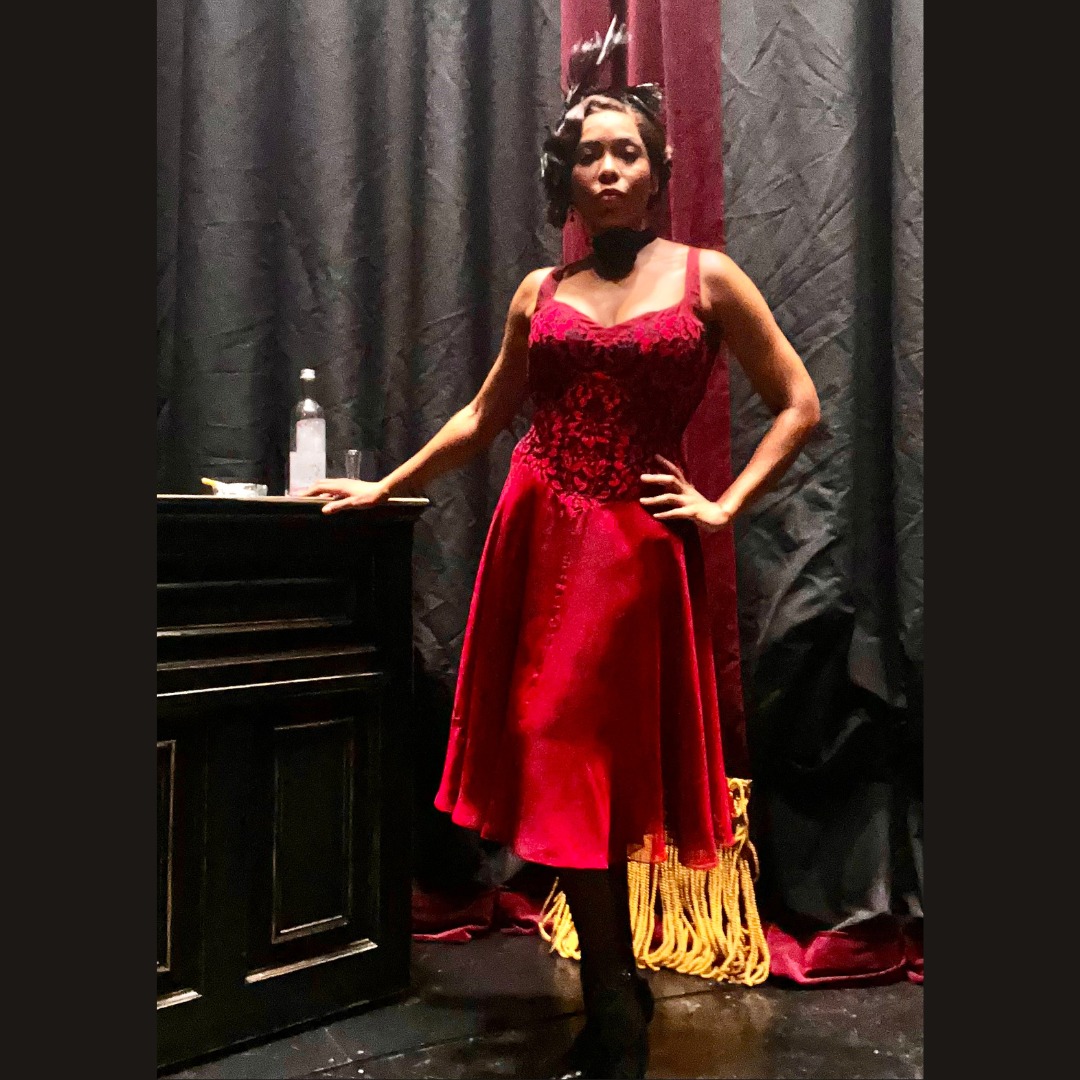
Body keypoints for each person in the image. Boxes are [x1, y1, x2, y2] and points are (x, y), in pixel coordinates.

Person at [298, 28, 820, 1080]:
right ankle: (616, 997)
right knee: (555, 760)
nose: (611, 169)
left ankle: (618, 1004)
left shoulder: (708, 277)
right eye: (592, 156)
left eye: (629, 152)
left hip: (633, 554)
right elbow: (483, 417)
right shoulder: (541, 292)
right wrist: (385, 484)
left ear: (658, 173)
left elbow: (800, 403)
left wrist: (720, 506)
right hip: (538, 536)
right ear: (568, 178)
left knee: (597, 770)